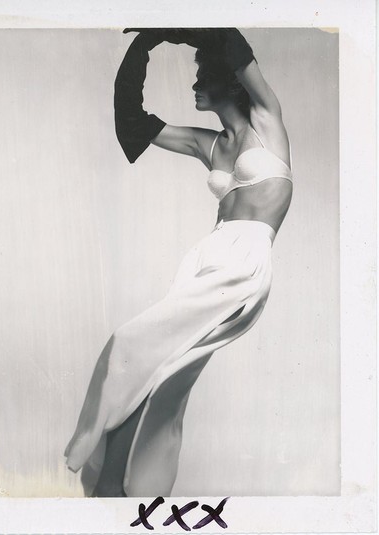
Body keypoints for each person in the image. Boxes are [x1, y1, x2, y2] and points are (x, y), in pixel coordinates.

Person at [64, 27, 293, 498]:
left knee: (133, 345)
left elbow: (231, 41)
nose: (194, 85)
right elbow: (133, 120)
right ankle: (117, 488)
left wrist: (168, 29)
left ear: (231, 82)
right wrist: (142, 47)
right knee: (155, 371)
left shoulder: (267, 119)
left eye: (203, 76)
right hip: (206, 258)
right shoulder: (205, 144)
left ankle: (107, 476)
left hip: (244, 264)